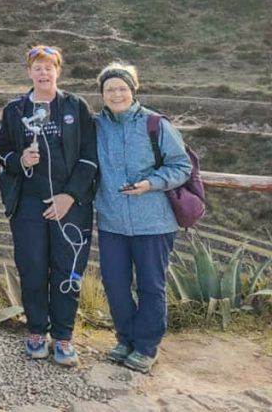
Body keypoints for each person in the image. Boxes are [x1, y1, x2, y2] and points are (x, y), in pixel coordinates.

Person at [0, 45, 98, 366]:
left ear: (58, 71)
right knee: (33, 268)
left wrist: (70, 196)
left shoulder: (75, 107)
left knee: (67, 270)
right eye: (37, 68)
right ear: (29, 73)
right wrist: (20, 159)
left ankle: (64, 336)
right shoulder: (15, 110)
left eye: (48, 67)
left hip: (71, 206)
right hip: (28, 206)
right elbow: (1, 152)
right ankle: (37, 331)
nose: (43, 73)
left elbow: (89, 157)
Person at [95, 63, 191, 373]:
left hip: (154, 221)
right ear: (102, 94)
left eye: (122, 88)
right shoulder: (96, 126)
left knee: (151, 285)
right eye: (110, 89)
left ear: (133, 90)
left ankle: (147, 346)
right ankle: (125, 339)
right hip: (112, 221)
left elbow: (181, 166)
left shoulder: (155, 124)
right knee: (115, 284)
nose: (117, 93)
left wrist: (151, 183)